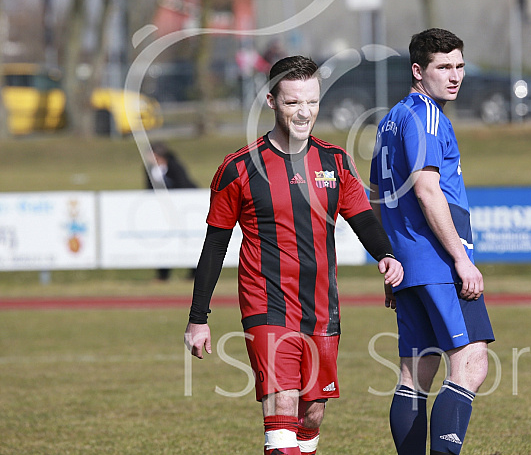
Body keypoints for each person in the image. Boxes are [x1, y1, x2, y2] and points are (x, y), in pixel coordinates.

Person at [184, 55, 403, 455]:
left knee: (311, 414)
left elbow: (364, 220)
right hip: (266, 304)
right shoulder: (238, 169)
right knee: (282, 404)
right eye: (292, 103)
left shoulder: (335, 162)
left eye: (312, 102)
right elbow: (215, 245)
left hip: (322, 307)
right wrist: (199, 318)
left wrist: (385, 254)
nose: (304, 112)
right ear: (271, 101)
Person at [369, 29, 495, 455]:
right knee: (471, 363)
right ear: (418, 71)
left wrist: (389, 261)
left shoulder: (390, 120)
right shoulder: (425, 116)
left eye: (459, 66)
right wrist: (461, 259)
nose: (454, 75)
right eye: (443, 67)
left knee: (415, 377)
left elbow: (377, 197)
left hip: (408, 263)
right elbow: (426, 189)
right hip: (438, 262)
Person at [144, 141, 198, 281]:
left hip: (183, 210)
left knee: (188, 241)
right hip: (164, 212)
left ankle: (194, 273)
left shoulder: (174, 166)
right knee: (163, 242)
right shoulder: (149, 170)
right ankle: (163, 275)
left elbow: (183, 185)